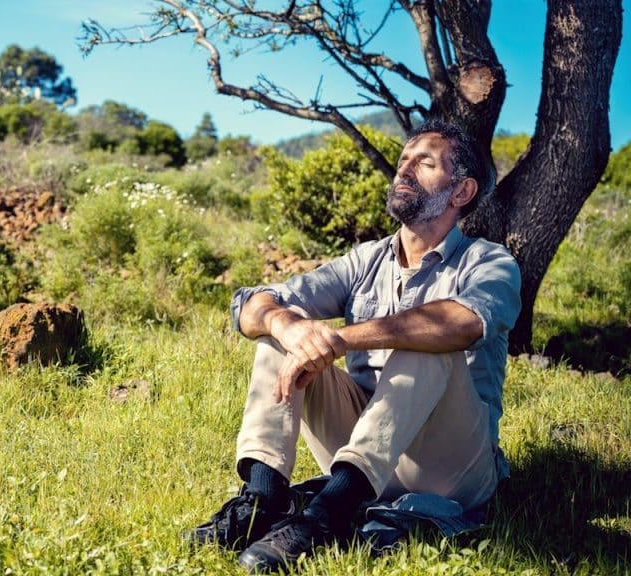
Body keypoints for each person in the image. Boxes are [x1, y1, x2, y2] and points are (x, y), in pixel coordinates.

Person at [186, 118, 521, 573]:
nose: (403, 171)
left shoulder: (491, 262)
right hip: (360, 447)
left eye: (423, 164)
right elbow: (252, 305)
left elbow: (461, 324)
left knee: (427, 340)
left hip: (450, 466)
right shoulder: (366, 259)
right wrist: (288, 327)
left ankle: (326, 517)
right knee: (284, 336)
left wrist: (340, 338)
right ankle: (262, 502)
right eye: (403, 160)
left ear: (461, 192)